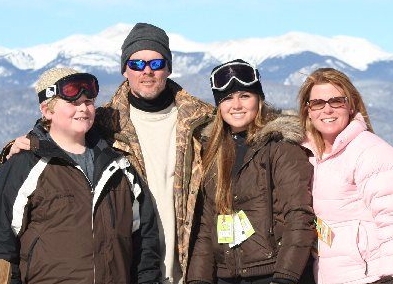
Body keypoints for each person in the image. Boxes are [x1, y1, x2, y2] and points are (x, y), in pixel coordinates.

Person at [1, 23, 215, 284]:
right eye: (136, 64)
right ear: (124, 69)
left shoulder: (205, 124)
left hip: (187, 270)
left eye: (157, 63)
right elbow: (56, 133)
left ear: (168, 67)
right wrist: (15, 148)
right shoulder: (105, 125)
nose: (147, 71)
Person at [0, 67, 162, 284]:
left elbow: (145, 244)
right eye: (73, 103)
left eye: (88, 102)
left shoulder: (119, 167)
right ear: (47, 110)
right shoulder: (25, 165)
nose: (83, 108)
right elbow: (4, 245)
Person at [187, 59, 316, 284]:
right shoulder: (213, 152)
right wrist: (198, 280)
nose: (236, 105)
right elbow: (207, 226)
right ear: (219, 106)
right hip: (226, 275)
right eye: (227, 98)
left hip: (272, 271)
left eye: (245, 96)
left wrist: (286, 276)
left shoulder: (280, 146)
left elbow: (299, 215)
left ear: (259, 99)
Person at [297, 67, 393, 284]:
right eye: (318, 103)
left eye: (336, 101)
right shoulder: (307, 155)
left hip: (370, 276)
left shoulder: (370, 151)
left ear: (350, 105)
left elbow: (392, 217)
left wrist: (390, 276)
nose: (327, 110)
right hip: (329, 275)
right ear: (308, 110)